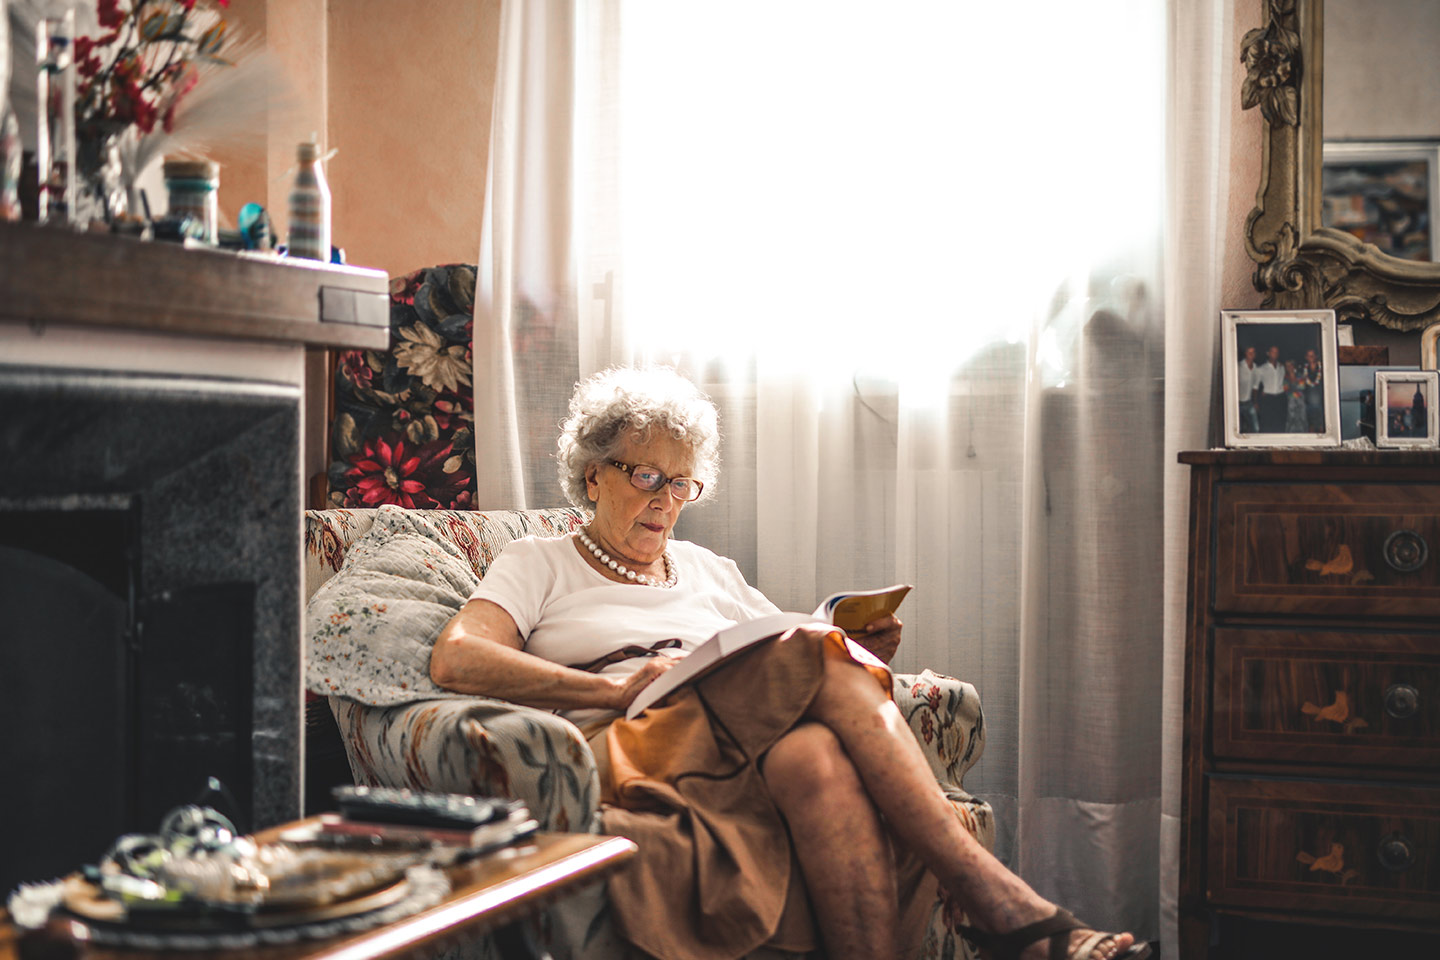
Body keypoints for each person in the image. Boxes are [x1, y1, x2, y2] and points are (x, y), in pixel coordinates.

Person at [429, 367, 1148, 960]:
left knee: (815, 758)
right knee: (812, 655)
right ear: (593, 477)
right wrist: (606, 692)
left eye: (681, 484)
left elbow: (784, 657)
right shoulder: (540, 562)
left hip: (731, 745)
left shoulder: (709, 569)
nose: (666, 501)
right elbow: (457, 658)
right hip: (630, 736)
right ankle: (1005, 906)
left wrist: (854, 651)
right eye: (647, 476)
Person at [1254, 345, 1288, 431]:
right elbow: (1255, 387)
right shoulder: (1261, 369)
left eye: (1276, 352)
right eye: (1272, 352)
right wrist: (1255, 402)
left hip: (1280, 398)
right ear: (1268, 353)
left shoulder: (1282, 367)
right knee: (1267, 424)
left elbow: (1285, 381)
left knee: (1280, 424)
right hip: (1267, 399)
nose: (1274, 354)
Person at [1236, 345, 1261, 432]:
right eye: (1249, 352)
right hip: (1237, 403)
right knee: (1238, 429)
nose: (1251, 354)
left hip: (1249, 403)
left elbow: (1255, 387)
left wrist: (1255, 402)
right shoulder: (1238, 366)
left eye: (1253, 352)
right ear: (1245, 353)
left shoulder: (1256, 369)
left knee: (1256, 428)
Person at [1301, 348, 1325, 432]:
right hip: (1309, 403)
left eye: (1312, 355)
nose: (1310, 357)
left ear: (1316, 356)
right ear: (1306, 357)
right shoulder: (1303, 369)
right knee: (1311, 428)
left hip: (1321, 404)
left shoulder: (1323, 368)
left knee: (1322, 428)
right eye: (1308, 355)